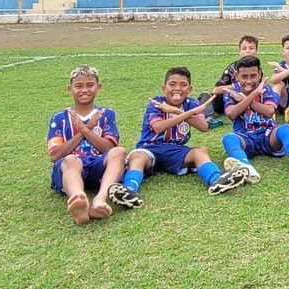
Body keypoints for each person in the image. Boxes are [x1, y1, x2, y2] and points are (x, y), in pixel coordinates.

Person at [114, 67, 247, 206]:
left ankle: (217, 180)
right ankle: (129, 189)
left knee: (200, 151)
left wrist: (177, 111)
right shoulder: (156, 103)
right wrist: (188, 113)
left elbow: (203, 127)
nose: (177, 88)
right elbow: (158, 127)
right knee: (138, 157)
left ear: (189, 89)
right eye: (172, 84)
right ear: (164, 88)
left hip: (176, 150)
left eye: (183, 85)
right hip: (150, 148)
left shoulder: (191, 104)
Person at [47, 65, 128, 225]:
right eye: (79, 86)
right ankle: (78, 200)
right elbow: (55, 155)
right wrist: (84, 130)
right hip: (70, 171)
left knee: (119, 152)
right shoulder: (59, 118)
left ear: (98, 87)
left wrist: (85, 128)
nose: (85, 90)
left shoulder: (106, 114)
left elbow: (108, 149)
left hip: (98, 166)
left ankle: (100, 199)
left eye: (90, 85)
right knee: (72, 160)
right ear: (70, 89)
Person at [219, 56, 289, 184]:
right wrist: (253, 95)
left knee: (285, 129)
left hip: (268, 135)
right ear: (237, 75)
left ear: (259, 74)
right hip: (244, 137)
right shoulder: (231, 92)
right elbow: (231, 114)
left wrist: (246, 100)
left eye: (253, 76)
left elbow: (269, 111)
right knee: (228, 138)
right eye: (244, 77)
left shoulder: (266, 89)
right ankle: (245, 167)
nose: (248, 81)